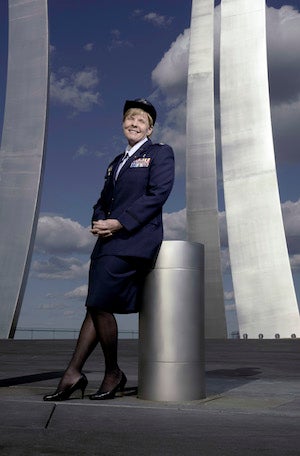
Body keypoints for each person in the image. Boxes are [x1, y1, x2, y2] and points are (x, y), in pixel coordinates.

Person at [43, 98, 175, 401]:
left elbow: (157, 195)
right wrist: (99, 221)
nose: (134, 123)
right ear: (122, 124)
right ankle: (74, 374)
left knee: (98, 302)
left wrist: (119, 223)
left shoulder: (160, 153)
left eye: (141, 120)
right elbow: (102, 200)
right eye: (129, 118)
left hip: (133, 240)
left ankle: (110, 371)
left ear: (150, 128)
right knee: (95, 302)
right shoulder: (116, 162)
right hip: (107, 240)